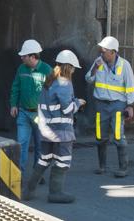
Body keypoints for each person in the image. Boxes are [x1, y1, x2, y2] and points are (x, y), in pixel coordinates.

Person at [23, 50, 85, 203]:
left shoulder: (49, 81)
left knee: (44, 160)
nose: (74, 71)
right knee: (63, 161)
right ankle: (55, 193)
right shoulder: (65, 82)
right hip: (62, 132)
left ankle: (29, 191)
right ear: (68, 67)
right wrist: (78, 103)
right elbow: (67, 109)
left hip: (46, 131)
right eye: (73, 68)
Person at [85, 36, 134, 178]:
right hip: (101, 105)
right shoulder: (98, 63)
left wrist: (130, 106)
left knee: (118, 136)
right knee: (99, 136)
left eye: (104, 51)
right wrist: (95, 68)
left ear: (113, 52)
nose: (102, 53)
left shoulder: (124, 65)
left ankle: (123, 168)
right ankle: (102, 166)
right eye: (101, 51)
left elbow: (130, 87)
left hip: (117, 105)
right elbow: (88, 79)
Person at [9, 39, 52, 175]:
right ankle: (18, 176)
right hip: (23, 112)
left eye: (24, 56)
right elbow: (15, 87)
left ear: (33, 56)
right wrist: (13, 105)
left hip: (41, 115)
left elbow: (54, 92)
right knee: (21, 145)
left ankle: (37, 175)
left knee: (40, 146)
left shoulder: (47, 70)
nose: (21, 58)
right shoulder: (21, 69)